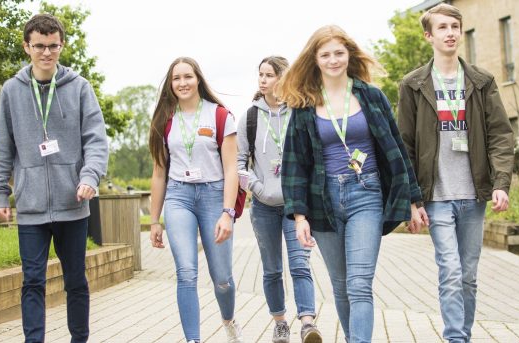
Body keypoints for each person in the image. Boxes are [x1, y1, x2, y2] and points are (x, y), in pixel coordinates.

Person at [279, 25, 426, 343]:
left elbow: (397, 149)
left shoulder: (370, 96)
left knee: (360, 283)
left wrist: (414, 201)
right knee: (341, 285)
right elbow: (294, 164)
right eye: (326, 54)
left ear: (349, 55)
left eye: (339, 53)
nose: (333, 60)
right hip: (324, 200)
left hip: (366, 194)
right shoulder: (305, 105)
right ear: (315, 59)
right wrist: (299, 217)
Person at [397, 4, 515, 343]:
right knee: (449, 271)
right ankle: (456, 338)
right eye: (443, 27)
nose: (450, 33)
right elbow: (404, 144)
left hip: (472, 194)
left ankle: (462, 334)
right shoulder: (414, 85)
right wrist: (411, 199)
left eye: (455, 27)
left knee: (468, 276)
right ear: (428, 35)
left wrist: (501, 183)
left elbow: (500, 135)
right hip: (435, 196)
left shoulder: (481, 81)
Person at [0, 13, 108, 343]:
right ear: (27, 46)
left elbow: (96, 140)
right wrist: (0, 194)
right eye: (39, 46)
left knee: (75, 280)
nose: (46, 52)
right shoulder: (12, 91)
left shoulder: (80, 88)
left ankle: (79, 339)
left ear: (62, 45)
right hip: (30, 207)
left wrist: (89, 177)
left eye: (52, 45)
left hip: (73, 203)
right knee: (32, 281)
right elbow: (3, 146)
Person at [147, 57, 243, 343]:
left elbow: (230, 169)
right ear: (170, 84)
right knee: (186, 272)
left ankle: (228, 321)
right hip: (179, 197)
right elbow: (159, 173)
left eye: (187, 76)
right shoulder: (165, 119)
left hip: (214, 196)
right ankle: (193, 339)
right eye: (176, 78)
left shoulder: (220, 116)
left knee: (222, 278)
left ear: (198, 78)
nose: (182, 83)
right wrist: (154, 220)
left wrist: (228, 212)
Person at [236, 56, 322, 343]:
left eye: (269, 75)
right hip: (262, 207)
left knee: (300, 265)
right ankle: (280, 322)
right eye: (260, 74)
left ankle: (308, 322)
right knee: (272, 269)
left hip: (296, 207)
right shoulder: (250, 116)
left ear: (282, 78)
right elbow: (239, 164)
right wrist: (257, 188)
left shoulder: (299, 111)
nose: (262, 80)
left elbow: (312, 156)